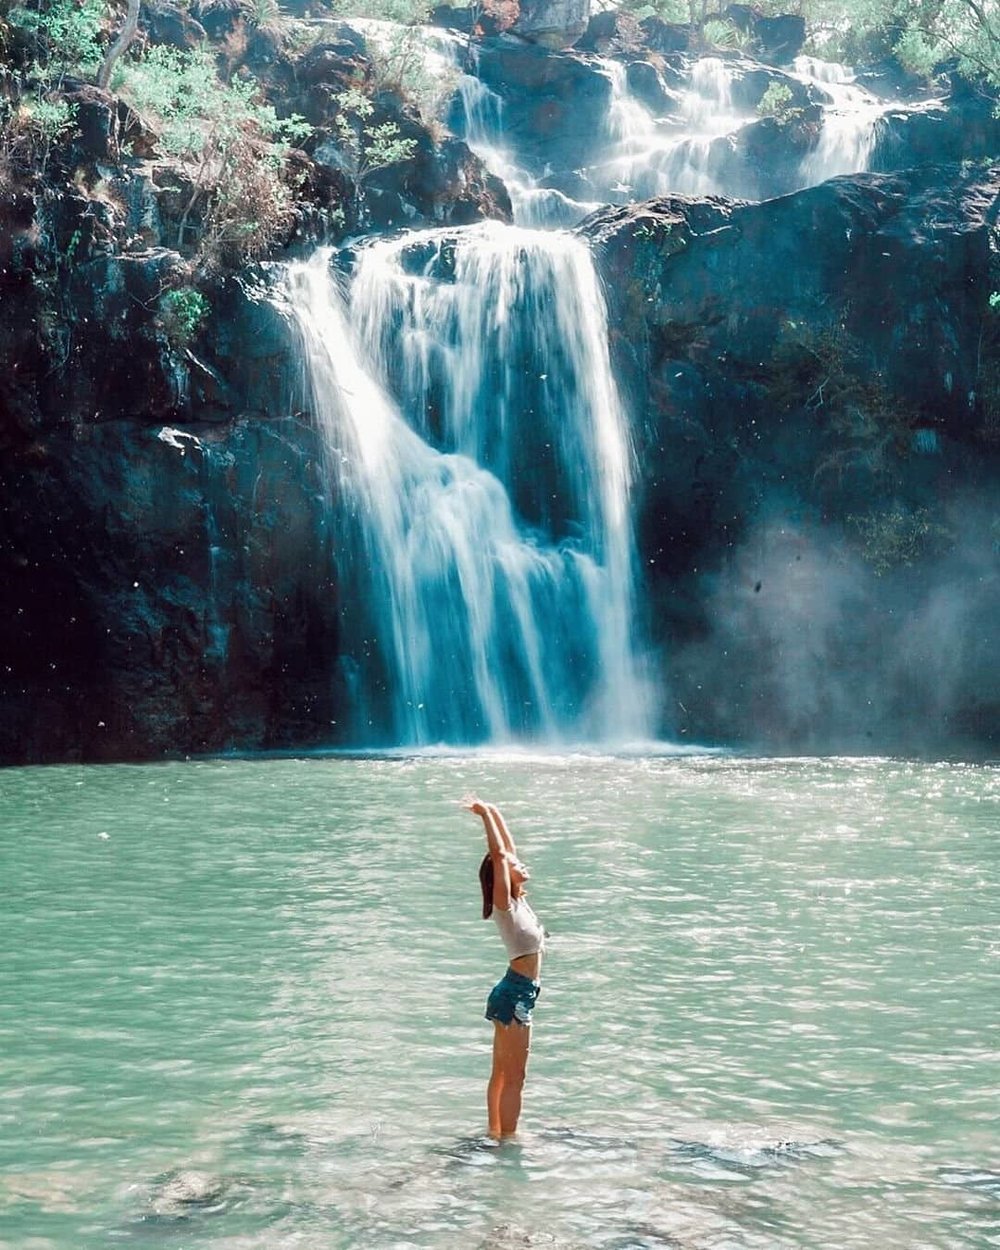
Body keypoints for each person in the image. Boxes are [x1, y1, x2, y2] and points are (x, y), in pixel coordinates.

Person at [466, 799, 545, 1139]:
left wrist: (496, 810)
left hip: (514, 992)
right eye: (516, 864)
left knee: (501, 1073)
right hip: (515, 995)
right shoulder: (505, 907)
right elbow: (500, 855)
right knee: (514, 1077)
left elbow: (507, 850)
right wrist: (484, 815)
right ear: (501, 874)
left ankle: (494, 1134)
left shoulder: (518, 901)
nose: (521, 863)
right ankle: (507, 1144)